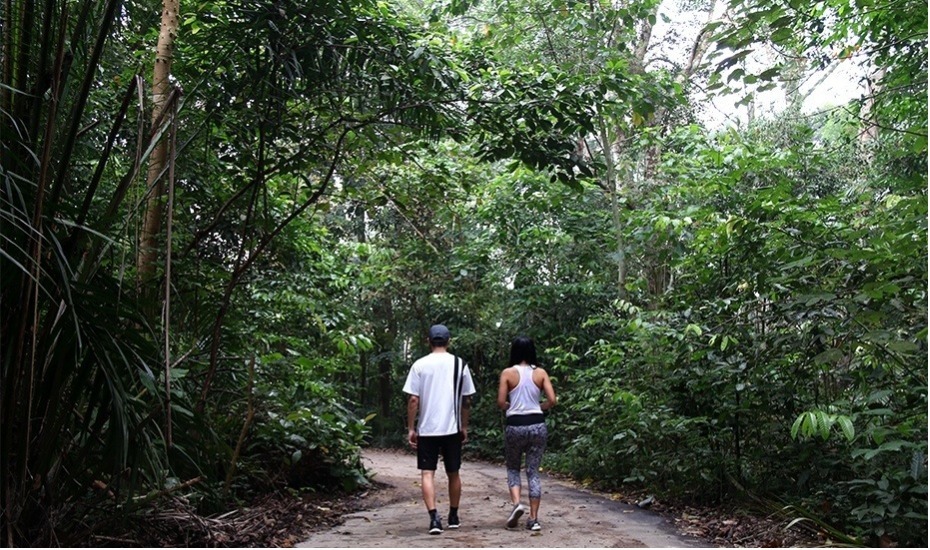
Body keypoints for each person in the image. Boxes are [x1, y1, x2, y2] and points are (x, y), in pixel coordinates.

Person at [403, 324, 476, 535]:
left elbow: (413, 400)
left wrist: (411, 428)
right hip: (452, 428)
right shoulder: (460, 364)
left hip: (427, 430)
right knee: (454, 472)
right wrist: (464, 426)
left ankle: (434, 519)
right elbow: (467, 399)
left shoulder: (419, 365)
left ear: (428, 341)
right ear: (448, 341)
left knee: (428, 473)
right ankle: (453, 515)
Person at [497, 335, 557, 531]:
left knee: (513, 468)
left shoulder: (507, 373)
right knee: (533, 472)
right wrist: (540, 406)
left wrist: (511, 405)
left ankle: (516, 505)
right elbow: (552, 400)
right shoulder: (540, 373)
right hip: (537, 425)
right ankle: (534, 519)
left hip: (515, 425)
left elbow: (501, 403)